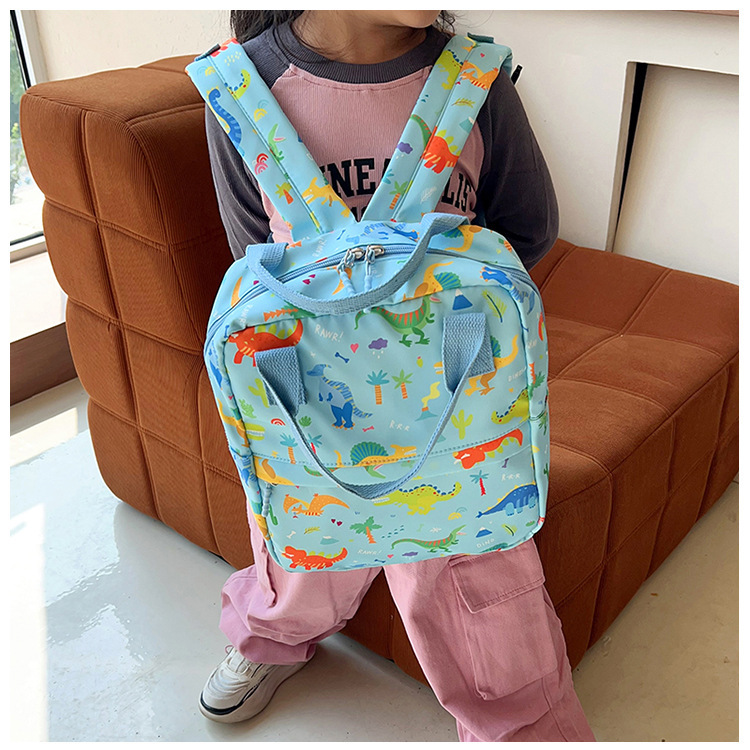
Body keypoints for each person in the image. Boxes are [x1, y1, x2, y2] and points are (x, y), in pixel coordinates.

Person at [199, 10, 596, 742]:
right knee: (305, 533)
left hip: (458, 394)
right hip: (312, 398)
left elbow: (526, 228)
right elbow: (253, 259)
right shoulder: (241, 85)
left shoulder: (476, 79)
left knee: (476, 568)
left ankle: (521, 722)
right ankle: (273, 635)